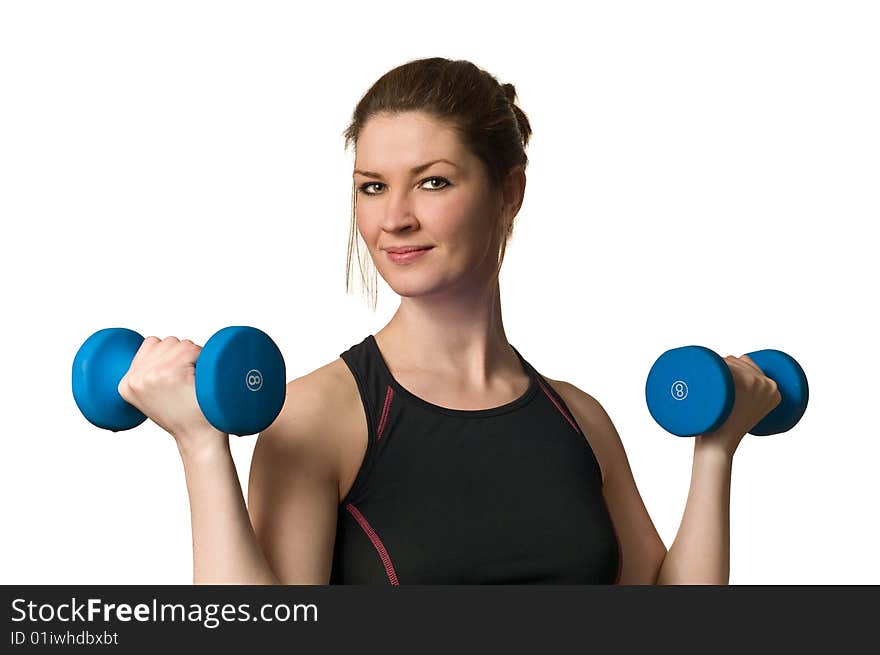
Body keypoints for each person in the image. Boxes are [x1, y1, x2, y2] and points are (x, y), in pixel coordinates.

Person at [118, 57, 782, 585]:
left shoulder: (579, 420)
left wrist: (716, 450)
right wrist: (202, 446)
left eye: (432, 181)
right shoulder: (317, 418)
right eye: (372, 185)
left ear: (509, 193)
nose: (394, 217)